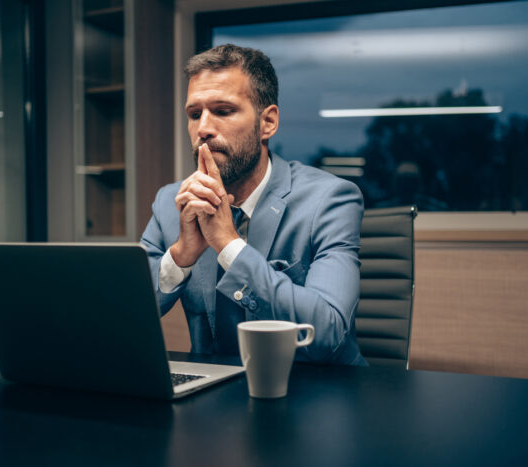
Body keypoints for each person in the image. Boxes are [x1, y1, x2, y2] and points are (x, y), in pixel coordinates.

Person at [140, 44, 365, 365]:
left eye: (223, 110)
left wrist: (229, 246)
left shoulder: (330, 199)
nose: (203, 128)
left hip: (314, 393)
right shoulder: (170, 202)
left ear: (268, 123)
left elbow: (328, 332)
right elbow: (126, 314)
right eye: (194, 114)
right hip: (215, 398)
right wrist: (180, 257)